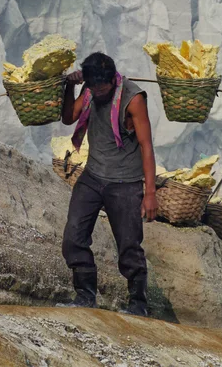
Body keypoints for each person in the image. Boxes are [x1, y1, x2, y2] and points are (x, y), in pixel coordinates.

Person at [60, 52, 158, 317]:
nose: (100, 93)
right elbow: (69, 117)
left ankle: (138, 304)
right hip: (93, 176)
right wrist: (70, 85)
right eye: (94, 88)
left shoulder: (133, 98)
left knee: (129, 244)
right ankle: (85, 295)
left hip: (125, 183)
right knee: (73, 237)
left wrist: (150, 193)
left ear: (112, 81)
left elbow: (146, 145)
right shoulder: (90, 91)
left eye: (104, 88)